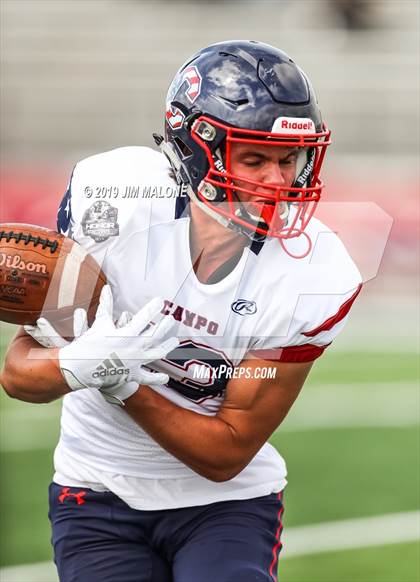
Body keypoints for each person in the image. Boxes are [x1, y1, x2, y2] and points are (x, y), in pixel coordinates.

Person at [0, 40, 362, 582]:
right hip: (96, 492)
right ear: (198, 150)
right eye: (256, 158)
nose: (280, 180)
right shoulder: (115, 203)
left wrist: (125, 385)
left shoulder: (317, 271)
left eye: (290, 159)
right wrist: (70, 366)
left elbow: (227, 452)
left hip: (226, 507)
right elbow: (18, 373)